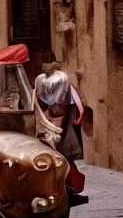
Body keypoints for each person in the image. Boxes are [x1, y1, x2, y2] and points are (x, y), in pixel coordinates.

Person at [33, 51, 87, 199]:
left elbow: (61, 98)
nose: (45, 67)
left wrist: (55, 109)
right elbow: (39, 95)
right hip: (48, 116)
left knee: (62, 150)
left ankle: (67, 183)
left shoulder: (61, 78)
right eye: (43, 64)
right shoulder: (40, 79)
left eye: (48, 63)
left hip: (59, 117)